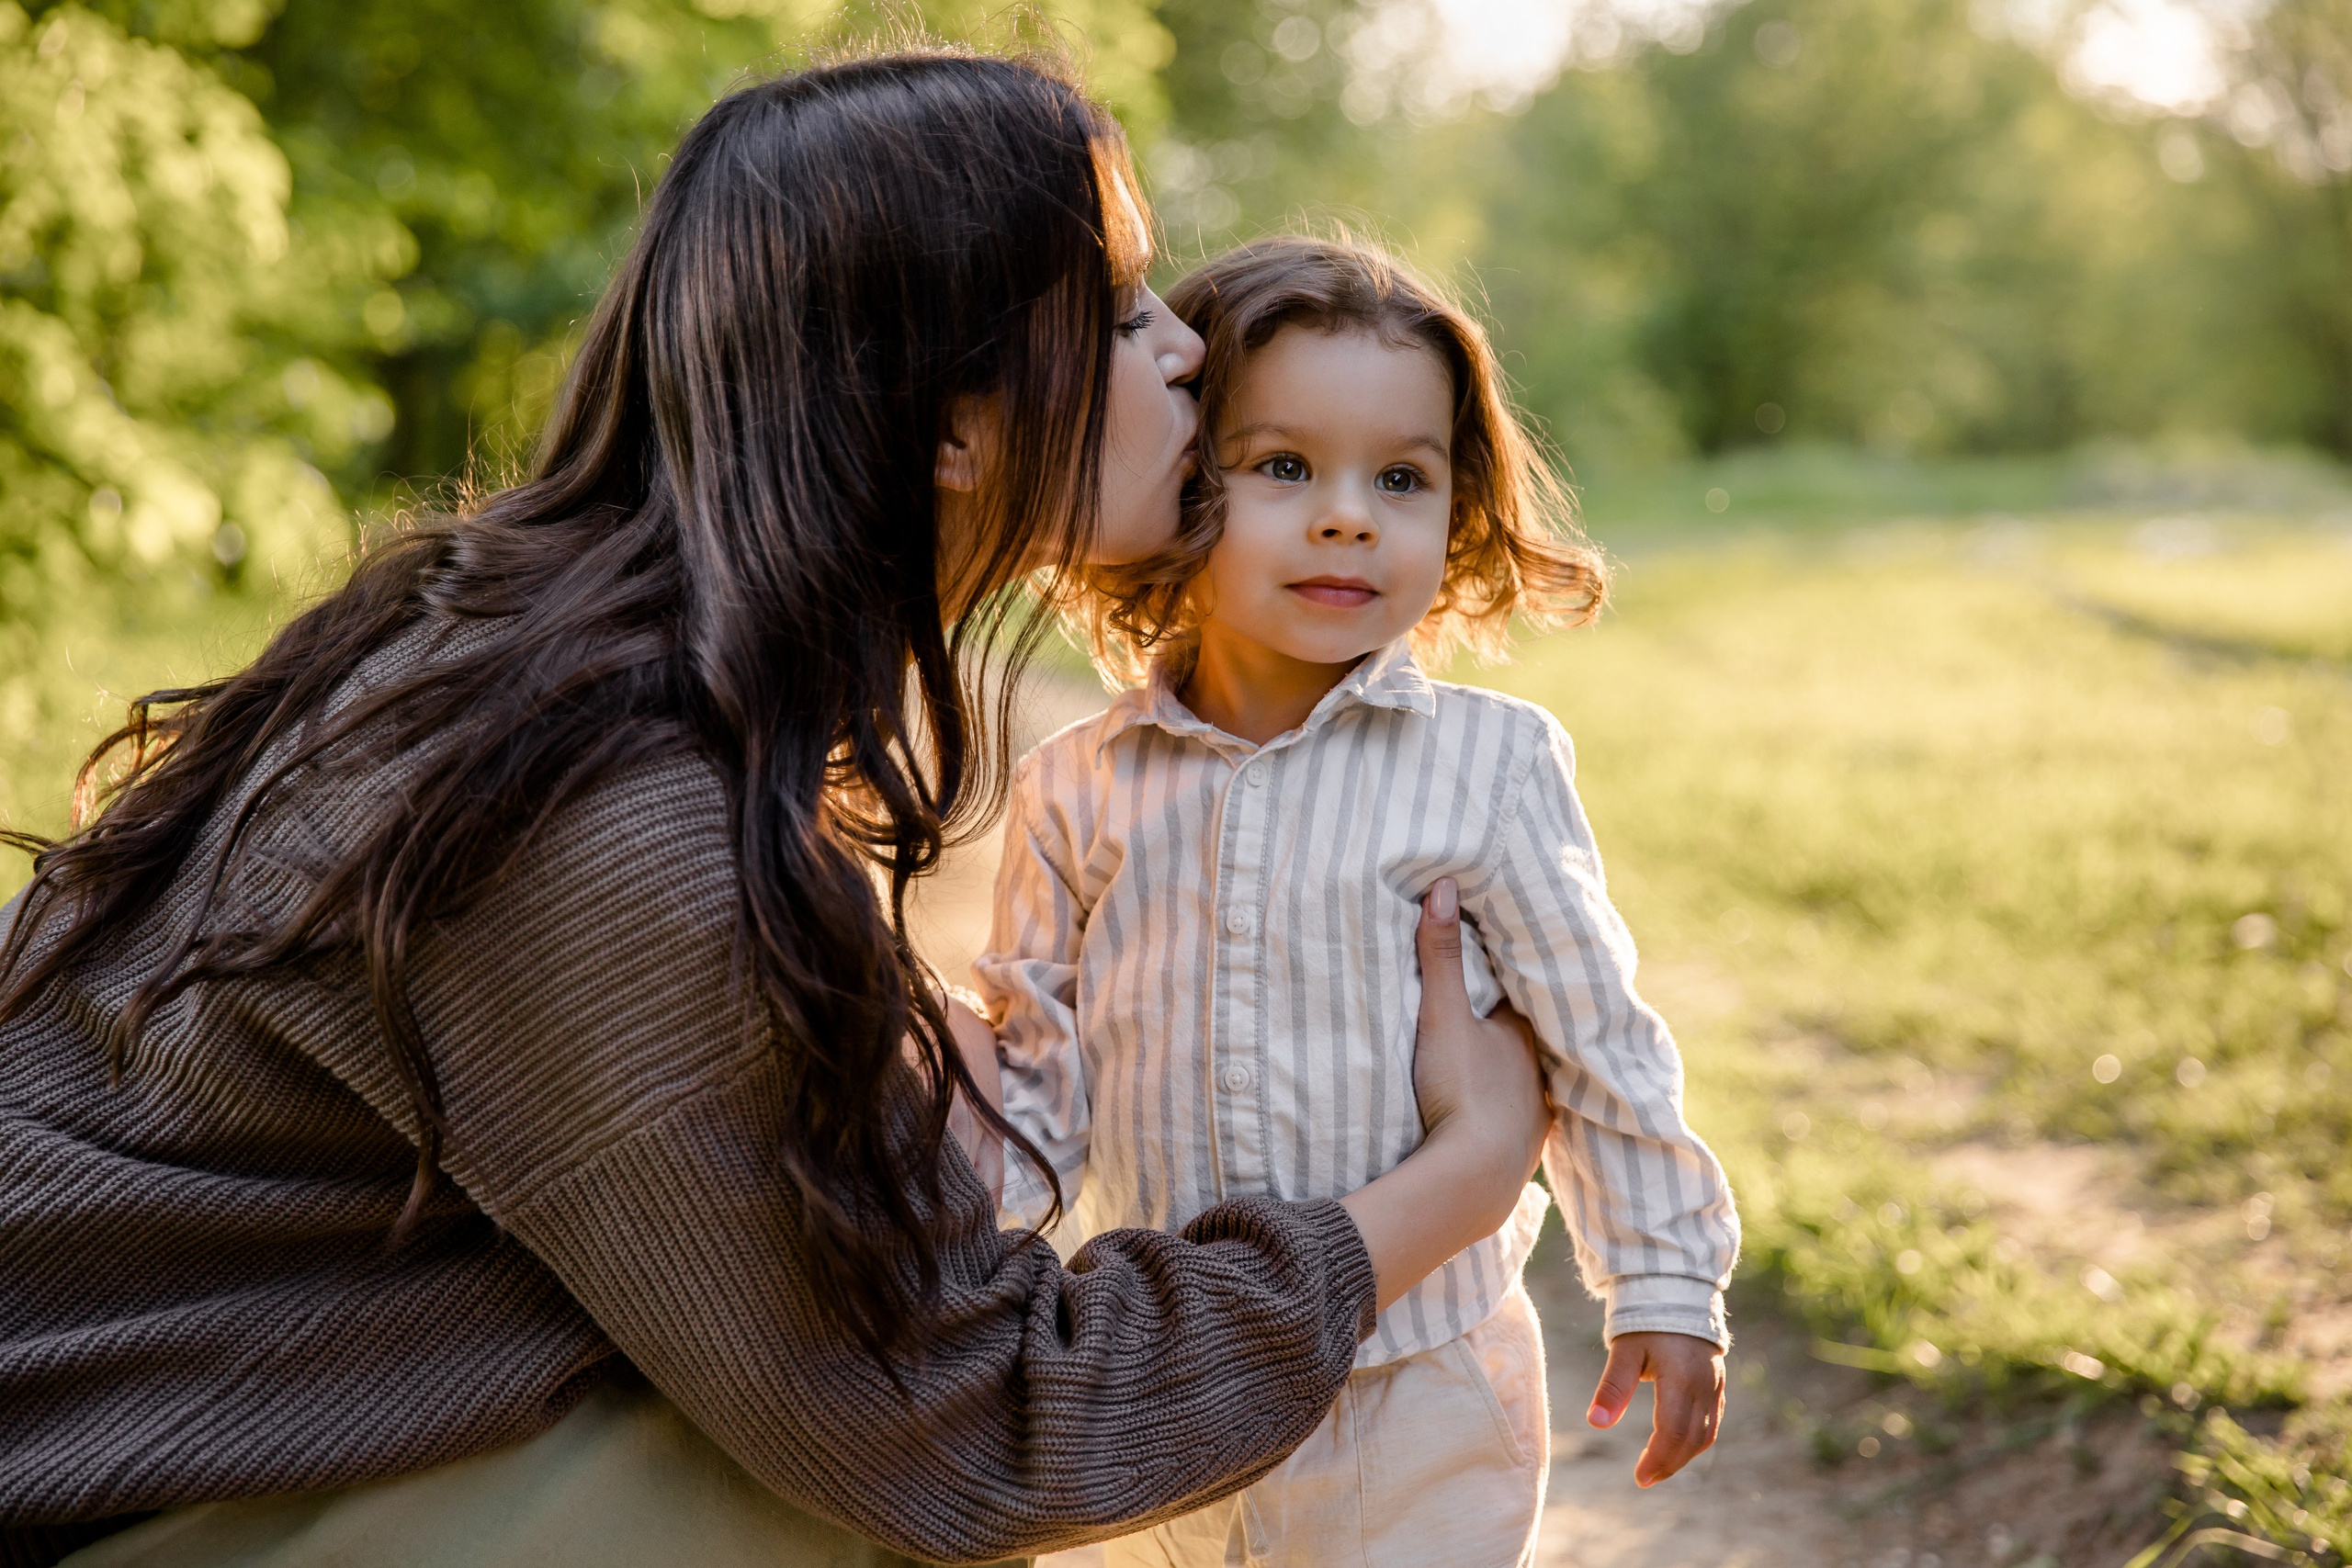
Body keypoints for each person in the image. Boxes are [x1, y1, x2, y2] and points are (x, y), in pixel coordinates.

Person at [0, 51, 1555, 1568]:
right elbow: (972, 1426)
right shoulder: (600, 813)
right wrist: (1455, 1179)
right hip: (86, 1503)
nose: (1188, 351)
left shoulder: (541, 655)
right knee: (828, 1511)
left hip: (128, 1444)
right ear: (953, 427)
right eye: (1121, 308)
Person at [969, 234, 1740, 1568]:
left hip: (1417, 1387)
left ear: (1458, 508)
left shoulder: (1487, 767)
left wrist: (1666, 1277)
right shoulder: (1076, 789)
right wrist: (974, 1265)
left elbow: (1596, 1038)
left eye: (1401, 478)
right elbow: (1035, 1075)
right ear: (1183, 482)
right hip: (1160, 1386)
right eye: (1284, 467)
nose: (1348, 518)